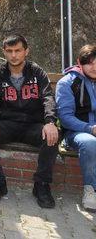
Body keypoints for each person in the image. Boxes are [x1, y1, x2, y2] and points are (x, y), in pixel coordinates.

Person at [0, 34, 58, 208]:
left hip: (33, 124)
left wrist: (50, 122)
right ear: (4, 52)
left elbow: (48, 97)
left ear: (26, 51)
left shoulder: (37, 72)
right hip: (8, 123)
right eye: (9, 51)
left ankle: (41, 185)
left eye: (18, 51)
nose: (14, 55)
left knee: (52, 137)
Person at [55, 44, 96, 211]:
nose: (94, 67)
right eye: (90, 63)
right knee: (90, 143)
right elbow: (65, 118)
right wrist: (91, 129)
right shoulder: (68, 83)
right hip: (76, 133)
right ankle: (91, 189)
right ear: (80, 63)